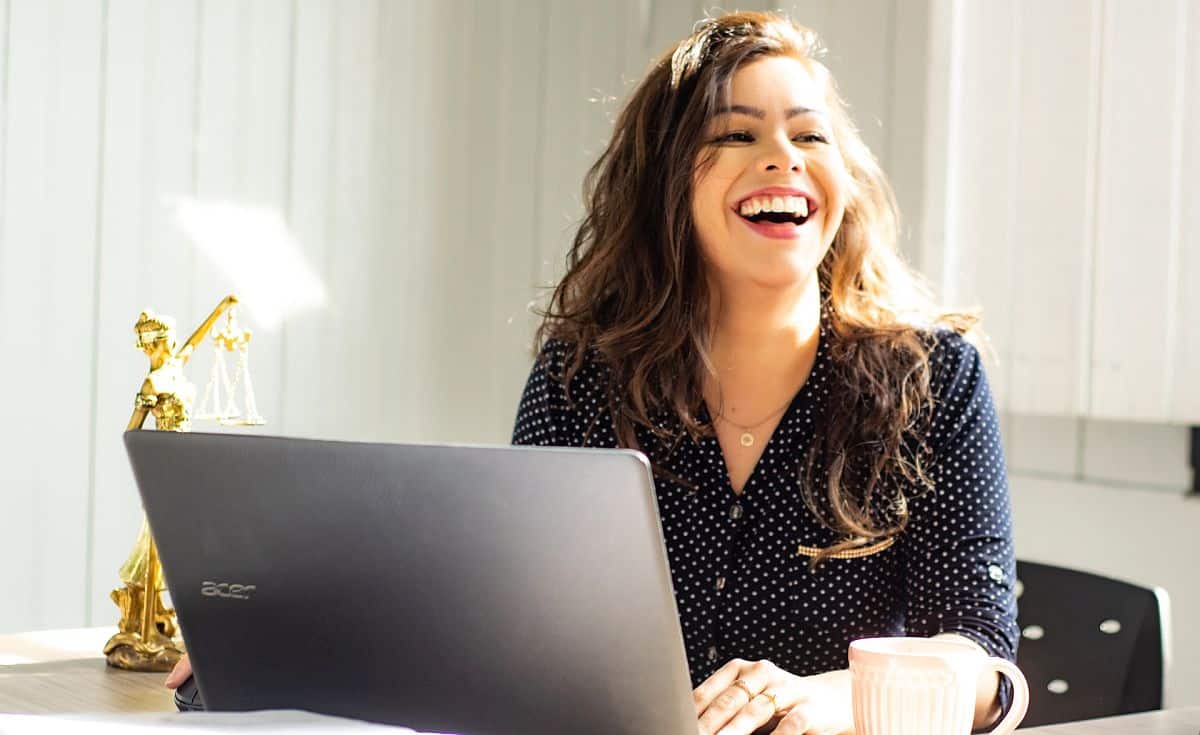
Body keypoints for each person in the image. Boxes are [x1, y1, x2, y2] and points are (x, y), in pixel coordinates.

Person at [170, 11, 1017, 735]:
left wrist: (834, 696)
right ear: (666, 189)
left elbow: (982, 664)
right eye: (735, 134)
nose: (782, 156)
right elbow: (497, 620)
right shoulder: (583, 376)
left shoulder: (933, 382)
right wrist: (280, 639)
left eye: (809, 133)